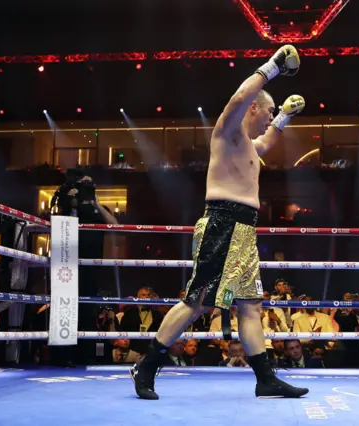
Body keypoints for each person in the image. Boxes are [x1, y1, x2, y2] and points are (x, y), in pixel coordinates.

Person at [130, 44, 308, 400]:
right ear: (254, 107)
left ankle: (265, 378)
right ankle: (147, 365)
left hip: (243, 229)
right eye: (268, 110)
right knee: (197, 301)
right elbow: (242, 94)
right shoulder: (228, 130)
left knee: (250, 305)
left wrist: (284, 116)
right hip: (222, 222)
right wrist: (272, 67)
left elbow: (268, 141)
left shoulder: (249, 146)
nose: (269, 116)